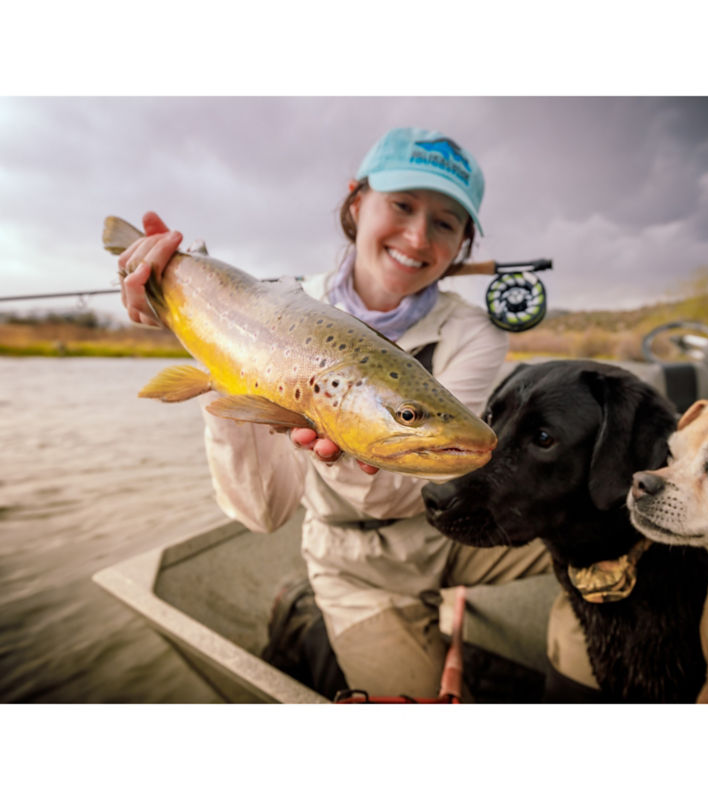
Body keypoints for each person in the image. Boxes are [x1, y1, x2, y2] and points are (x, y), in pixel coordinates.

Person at [117, 127, 555, 699]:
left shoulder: (475, 331)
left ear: (461, 243)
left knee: (612, 539)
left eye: (446, 223)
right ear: (356, 203)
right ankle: (320, 619)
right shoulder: (275, 306)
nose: (418, 236)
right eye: (402, 205)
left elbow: (446, 468)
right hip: (354, 568)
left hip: (451, 533)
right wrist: (203, 334)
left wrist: (354, 446)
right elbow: (263, 514)